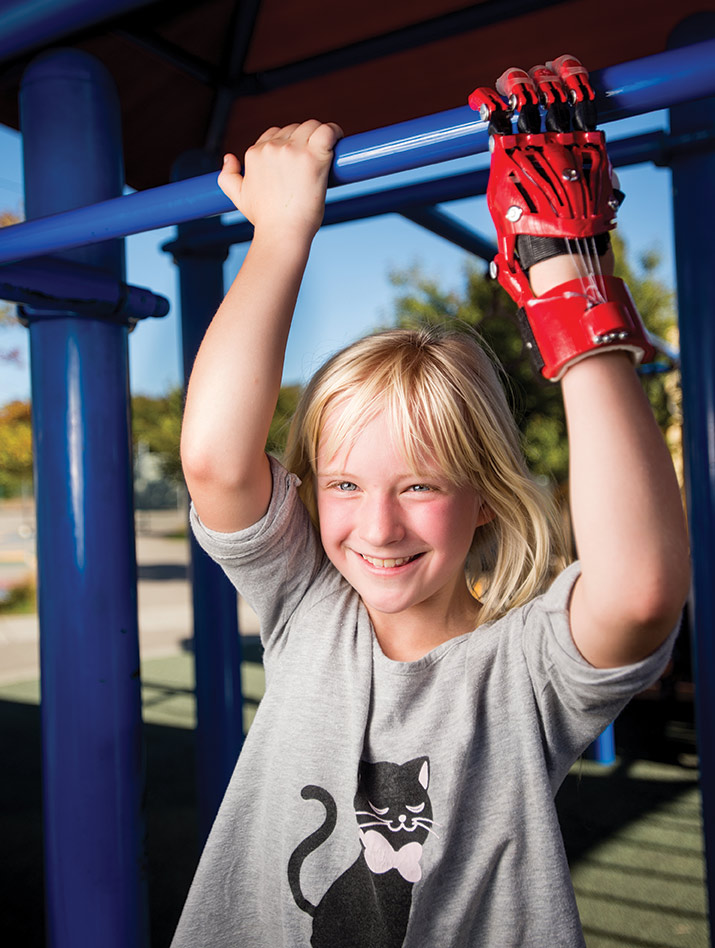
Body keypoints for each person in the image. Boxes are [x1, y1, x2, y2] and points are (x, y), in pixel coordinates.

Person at [173, 104, 689, 947]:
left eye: (419, 485)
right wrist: (279, 234)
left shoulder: (523, 670)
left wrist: (566, 278)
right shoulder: (308, 606)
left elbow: (638, 591)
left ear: (483, 494)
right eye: (343, 482)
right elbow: (215, 464)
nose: (376, 525)